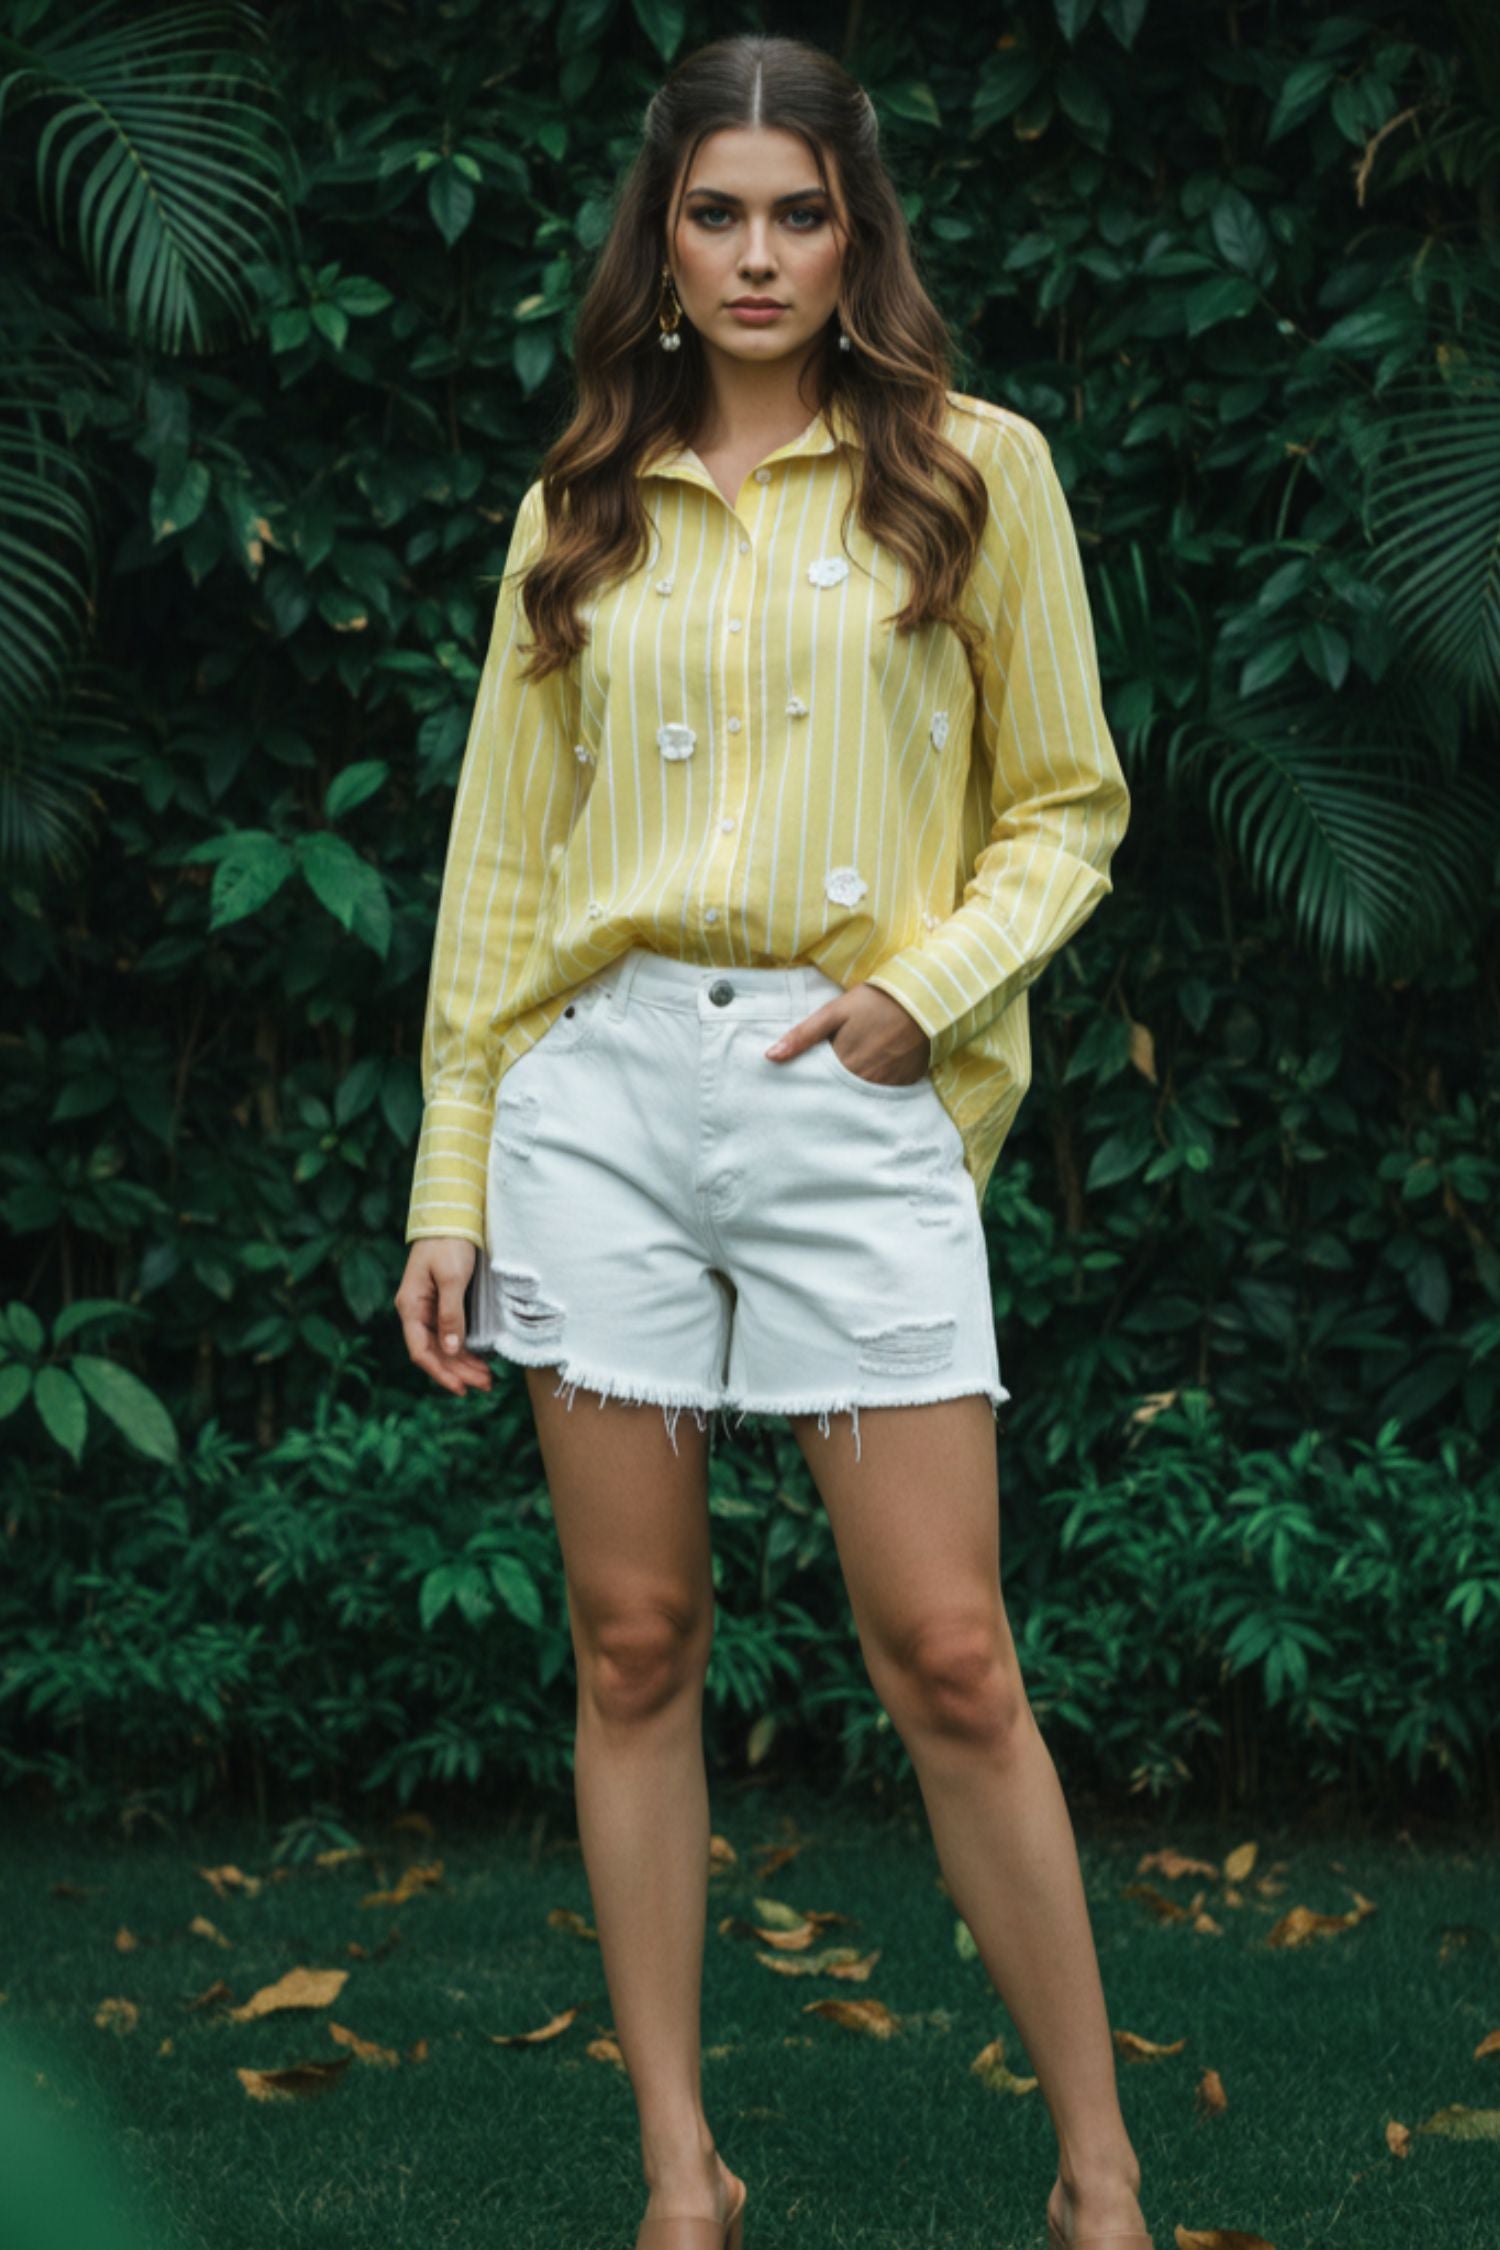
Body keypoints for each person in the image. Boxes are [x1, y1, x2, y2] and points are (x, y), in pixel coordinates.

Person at [395, 31, 1142, 2250]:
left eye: (796, 214)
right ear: (662, 236)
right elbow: (499, 884)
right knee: (633, 1644)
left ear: (853, 233)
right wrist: (451, 1181)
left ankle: (1100, 2178)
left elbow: (1068, 807)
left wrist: (923, 993)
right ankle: (680, 2175)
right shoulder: (579, 509)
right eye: (713, 213)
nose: (754, 255)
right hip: (598, 1104)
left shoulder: (978, 474)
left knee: (953, 1654)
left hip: (849, 1082)